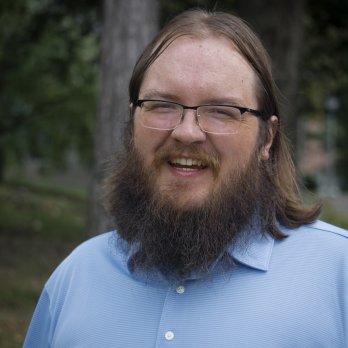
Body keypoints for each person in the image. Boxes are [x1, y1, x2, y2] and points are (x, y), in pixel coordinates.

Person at [24, 8, 348, 348]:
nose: (187, 132)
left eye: (222, 111)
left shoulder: (337, 275)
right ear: (132, 123)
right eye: (162, 105)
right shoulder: (76, 277)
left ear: (266, 139)